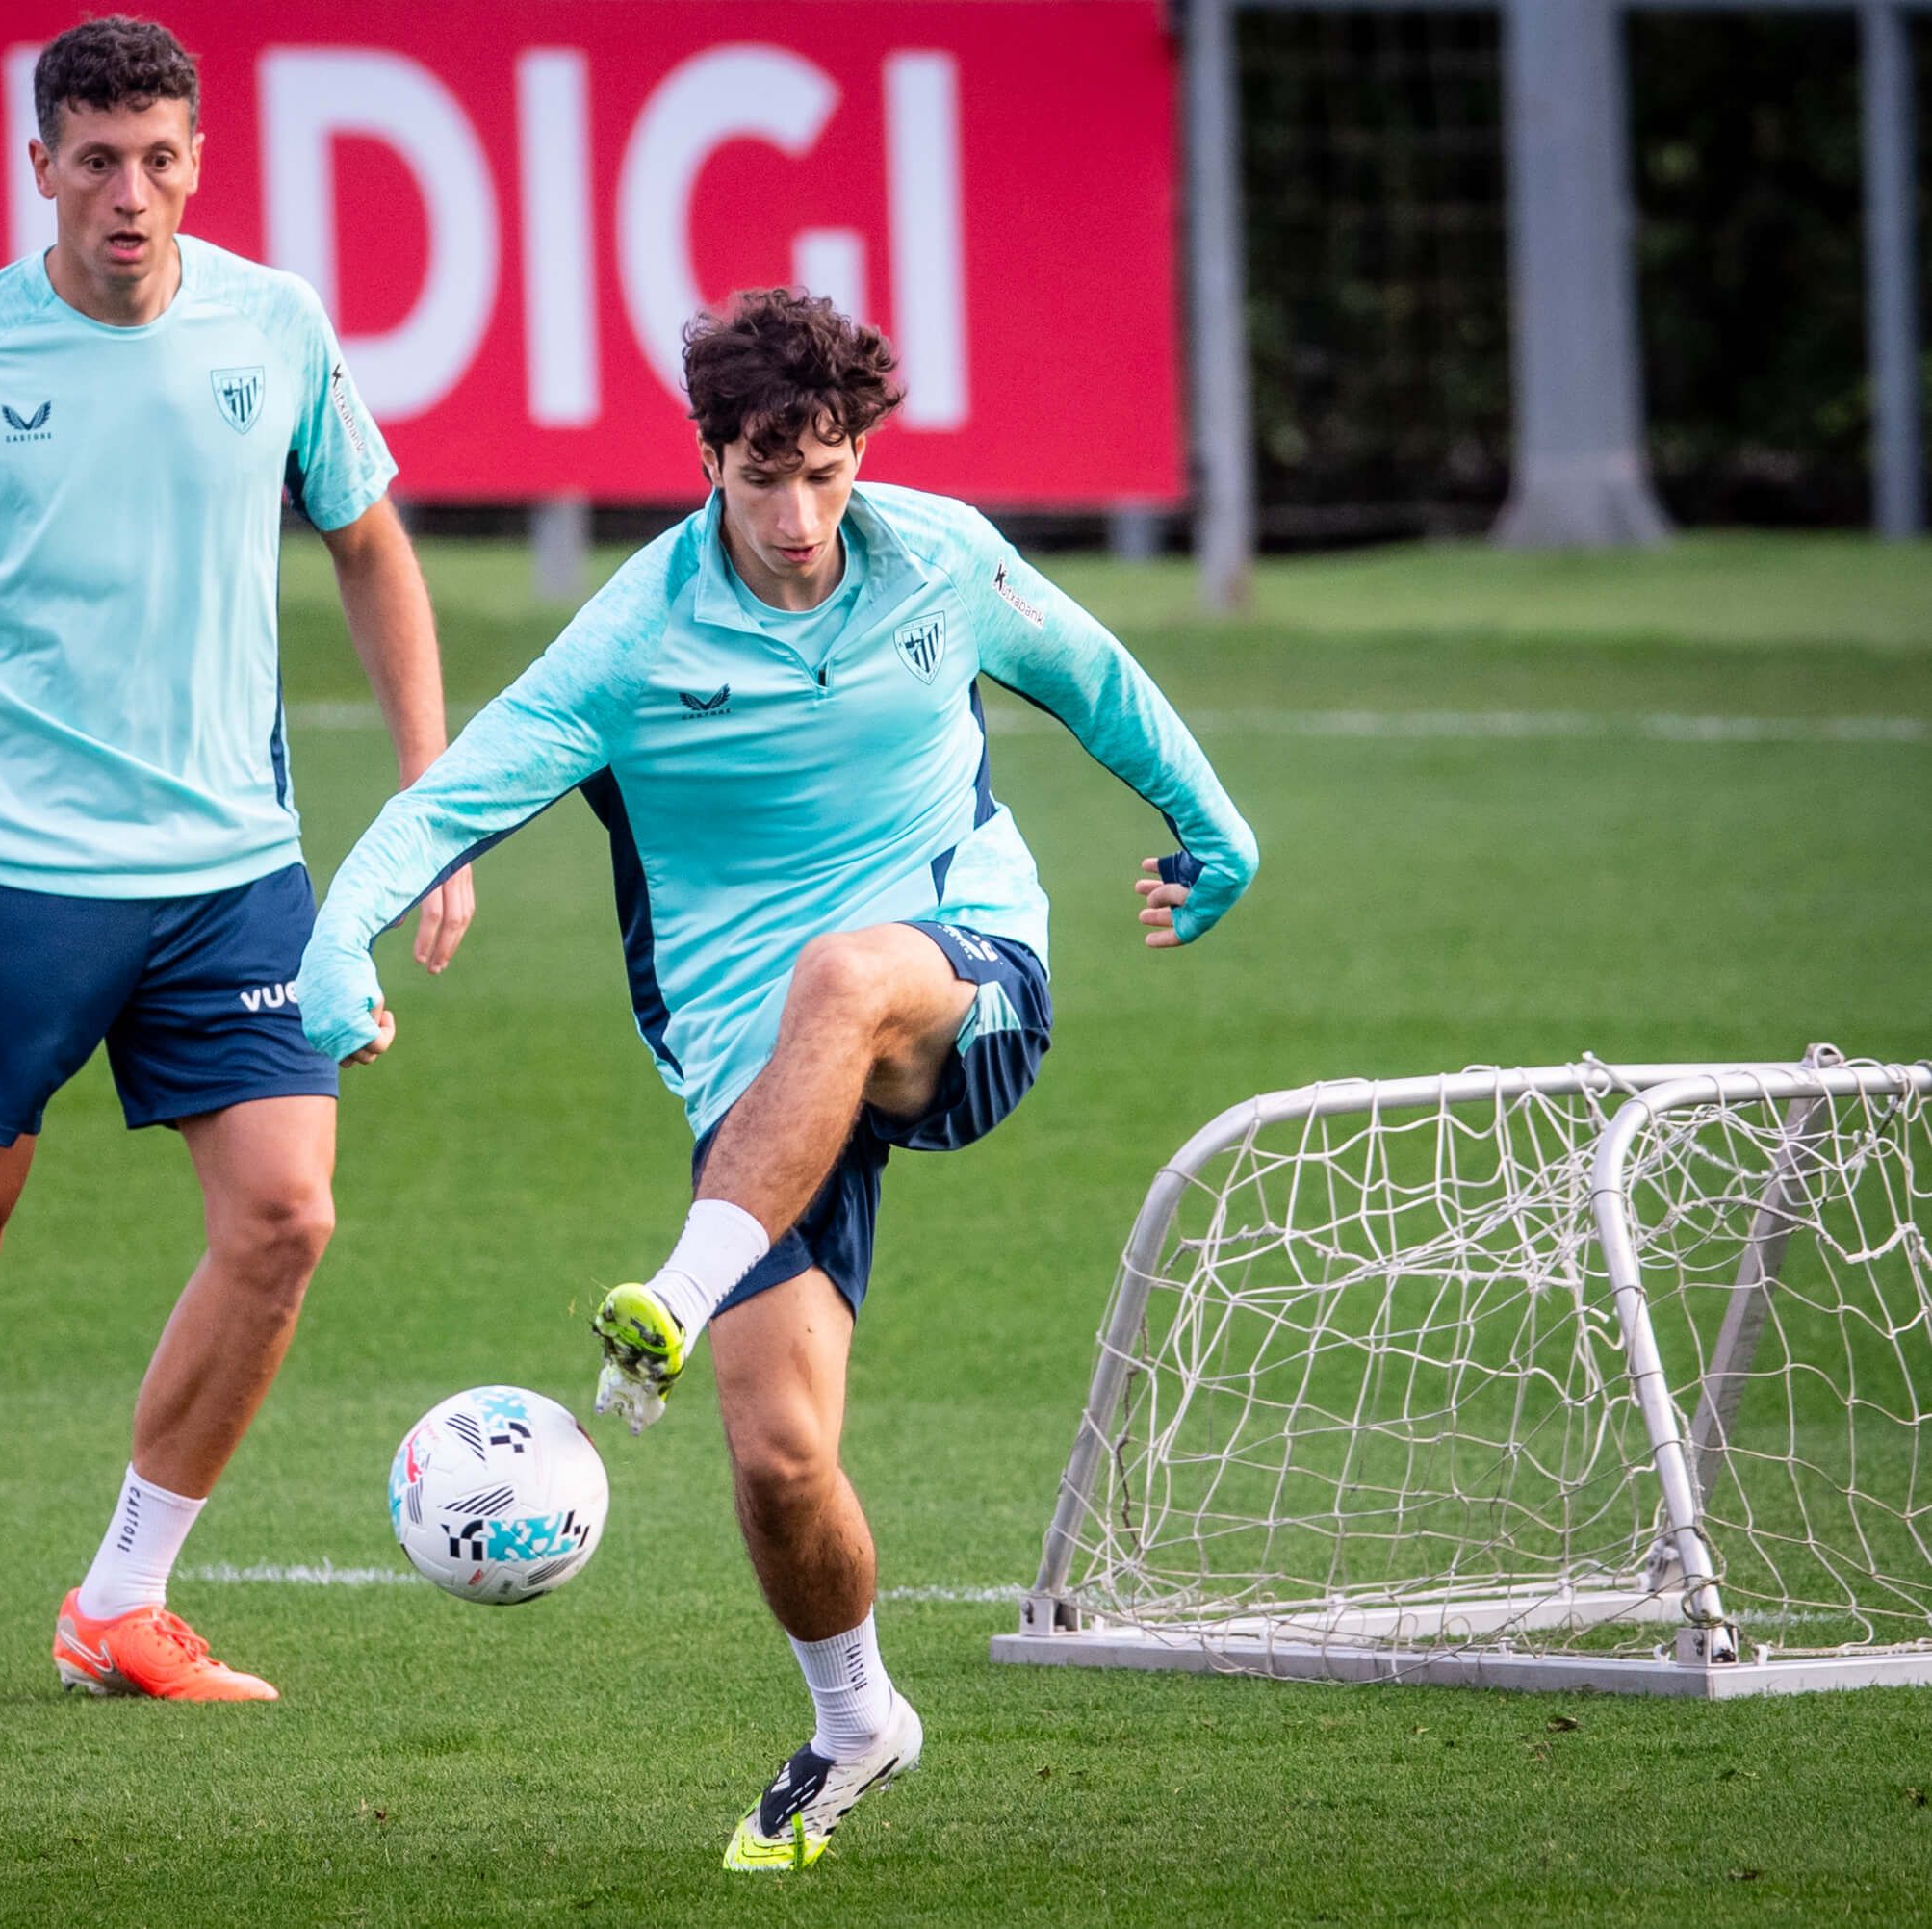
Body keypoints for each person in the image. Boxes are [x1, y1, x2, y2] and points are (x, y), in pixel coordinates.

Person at [297, 289, 1260, 1871]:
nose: (801, 515)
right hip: (760, 1095)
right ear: (709, 461)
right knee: (778, 1460)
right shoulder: (634, 636)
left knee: (847, 968)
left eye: (828, 471)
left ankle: (672, 1293)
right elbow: (452, 796)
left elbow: (1096, 678)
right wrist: (343, 944)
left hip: (959, 984)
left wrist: (1216, 835)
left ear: (860, 451)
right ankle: (858, 1719)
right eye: (765, 476)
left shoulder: (941, 562)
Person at [0, 14, 471, 1714]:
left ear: (198, 163)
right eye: (96, 160)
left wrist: (434, 801)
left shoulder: (276, 327)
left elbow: (371, 549)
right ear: (41, 170)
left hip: (237, 870)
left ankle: (123, 1600)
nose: (130, 193)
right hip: (8, 878)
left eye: (160, 158)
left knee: (287, 1219)